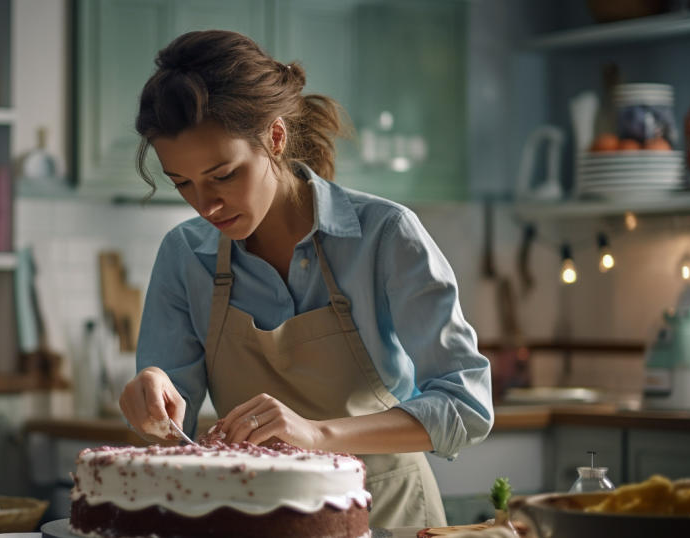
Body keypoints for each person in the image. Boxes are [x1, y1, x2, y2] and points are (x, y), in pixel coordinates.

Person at [119, 29, 493, 529]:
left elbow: (465, 405)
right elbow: (174, 435)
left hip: (389, 516)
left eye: (224, 174)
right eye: (182, 183)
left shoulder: (384, 235)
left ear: (274, 137)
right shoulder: (185, 256)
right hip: (256, 521)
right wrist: (151, 400)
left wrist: (316, 435)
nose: (205, 204)